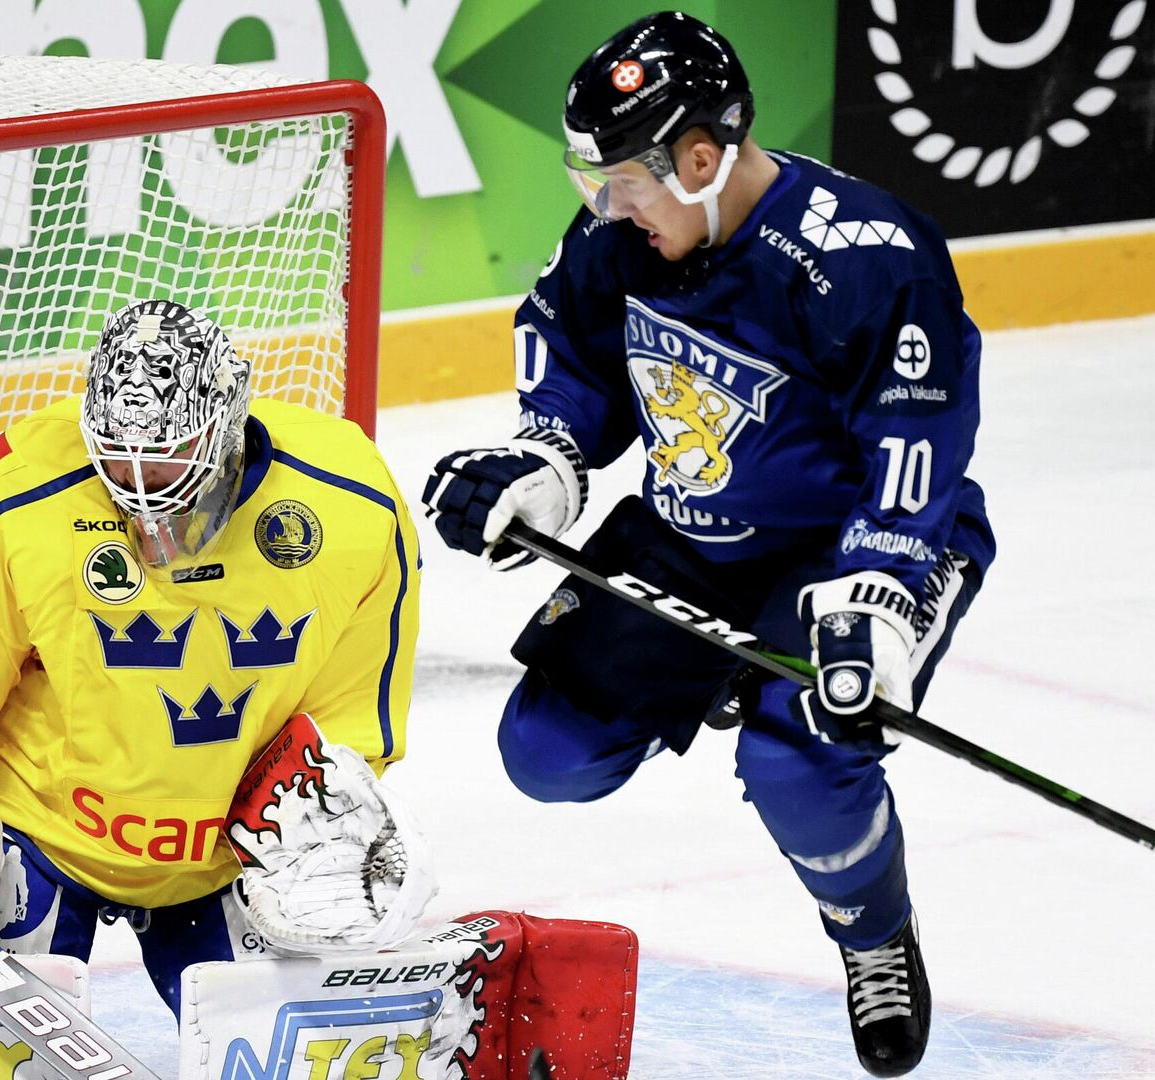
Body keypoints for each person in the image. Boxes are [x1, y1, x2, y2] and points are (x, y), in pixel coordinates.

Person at [420, 12, 994, 1077]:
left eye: (624, 179)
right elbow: (572, 355)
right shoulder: (623, 238)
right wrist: (544, 466)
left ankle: (872, 934)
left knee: (799, 759)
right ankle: (721, 673)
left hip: (850, 547)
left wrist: (879, 609)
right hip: (695, 539)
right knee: (547, 755)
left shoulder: (865, 258)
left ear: (699, 157)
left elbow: (915, 445)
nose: (604, 205)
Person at [0, 298, 430, 1017]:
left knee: (294, 1044)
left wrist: (326, 816)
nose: (142, 483)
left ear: (228, 421)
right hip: (36, 833)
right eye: (118, 454)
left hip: (230, 850)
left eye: (168, 455)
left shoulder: (351, 500)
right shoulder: (13, 493)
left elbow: (353, 711)